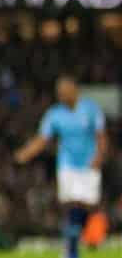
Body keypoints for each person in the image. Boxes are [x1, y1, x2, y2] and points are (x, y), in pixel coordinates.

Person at [14, 76, 108, 258]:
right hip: (67, 165)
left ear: (75, 90)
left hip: (89, 164)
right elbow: (43, 138)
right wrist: (25, 154)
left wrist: (99, 156)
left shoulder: (90, 109)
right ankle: (71, 250)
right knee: (71, 203)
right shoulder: (55, 114)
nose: (62, 96)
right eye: (59, 93)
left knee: (88, 205)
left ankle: (88, 237)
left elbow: (101, 135)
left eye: (65, 92)